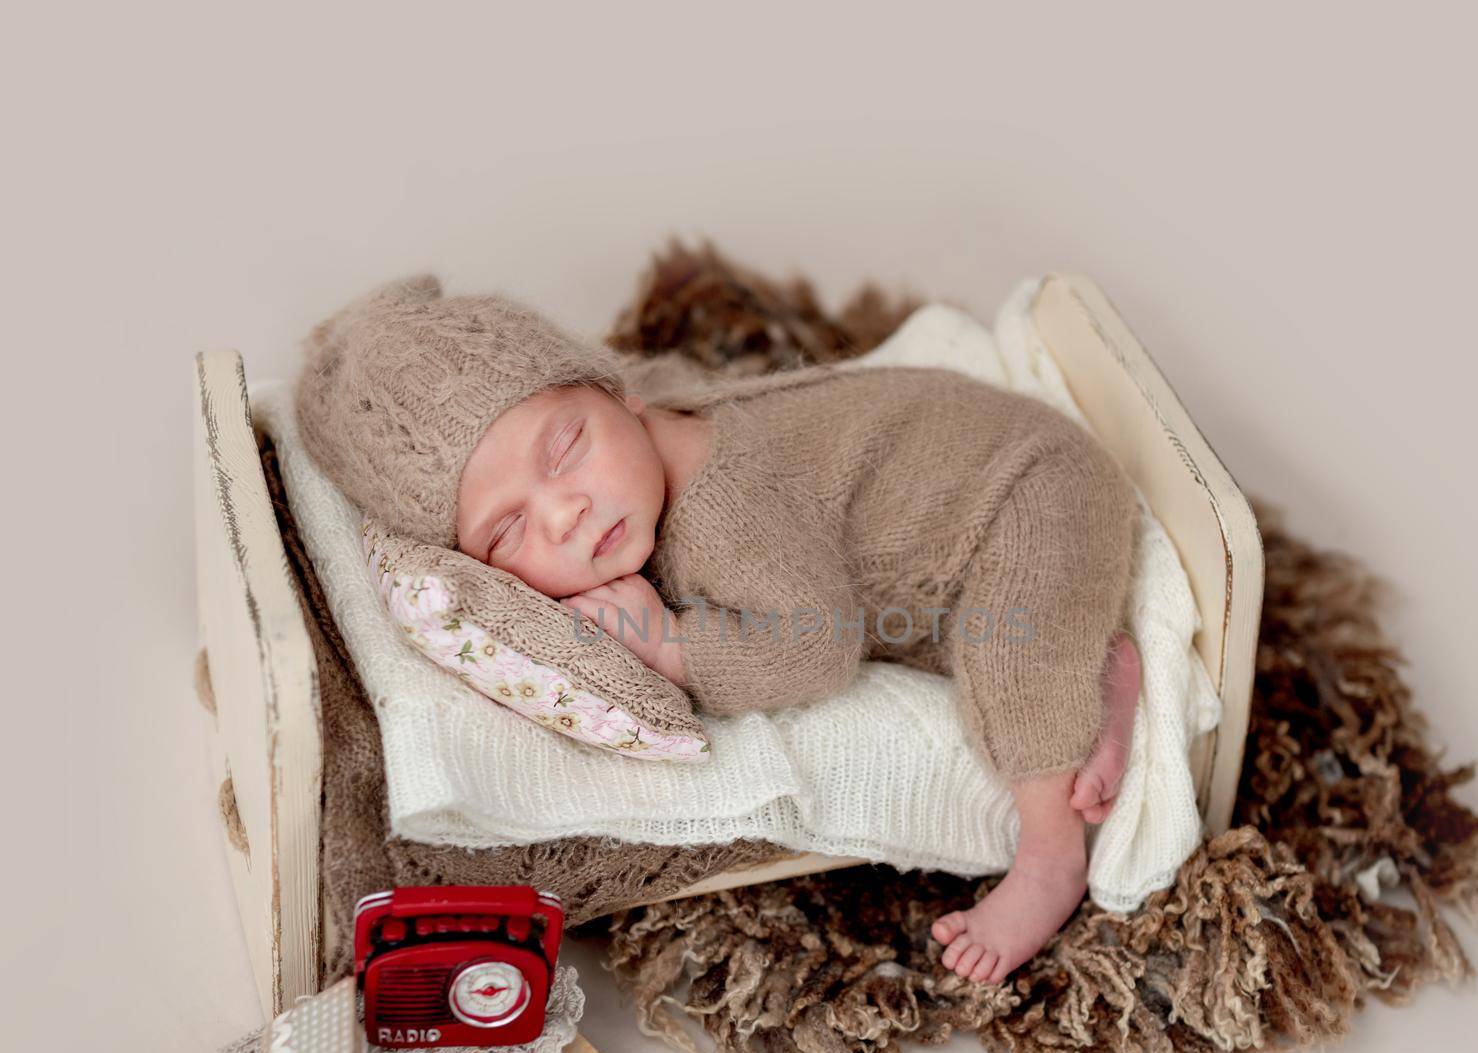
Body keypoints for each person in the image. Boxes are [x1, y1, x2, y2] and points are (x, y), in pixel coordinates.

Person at [297, 273, 1143, 984]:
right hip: (928, 558)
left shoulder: (727, 506)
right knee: (945, 632)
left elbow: (816, 649)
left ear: (617, 393)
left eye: (564, 452)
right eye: (507, 532)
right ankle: (1097, 670)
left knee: (1011, 654)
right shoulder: (632, 460)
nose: (564, 513)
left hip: (1026, 490)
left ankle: (1049, 859)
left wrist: (671, 644)